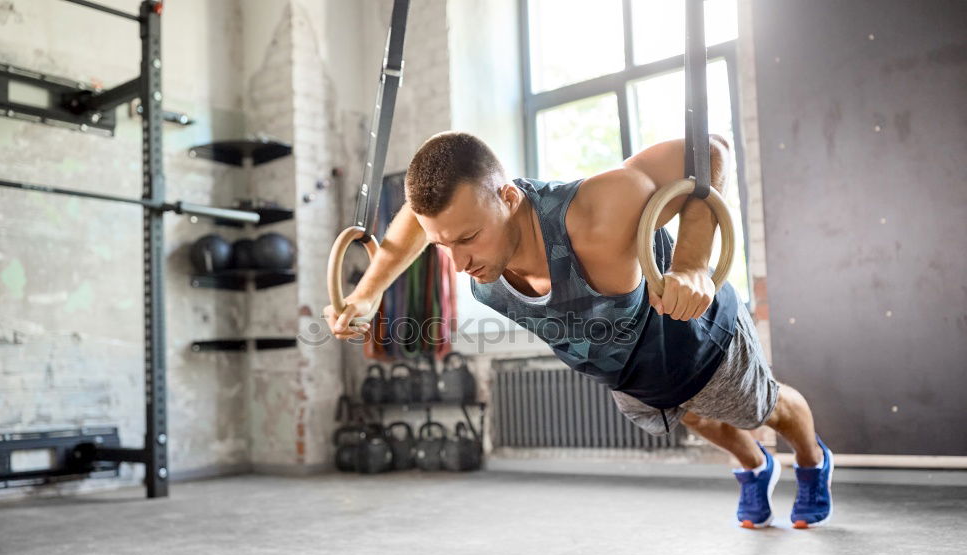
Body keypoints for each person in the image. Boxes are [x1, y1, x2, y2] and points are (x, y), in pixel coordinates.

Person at [323, 131, 833, 529]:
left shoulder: (598, 211)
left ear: (507, 196)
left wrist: (693, 261)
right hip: (631, 376)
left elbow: (712, 149)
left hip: (695, 338)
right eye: (443, 245)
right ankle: (755, 468)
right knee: (694, 418)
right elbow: (418, 218)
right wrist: (367, 293)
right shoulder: (463, 228)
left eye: (469, 239)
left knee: (764, 406)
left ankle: (812, 462)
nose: (457, 263)